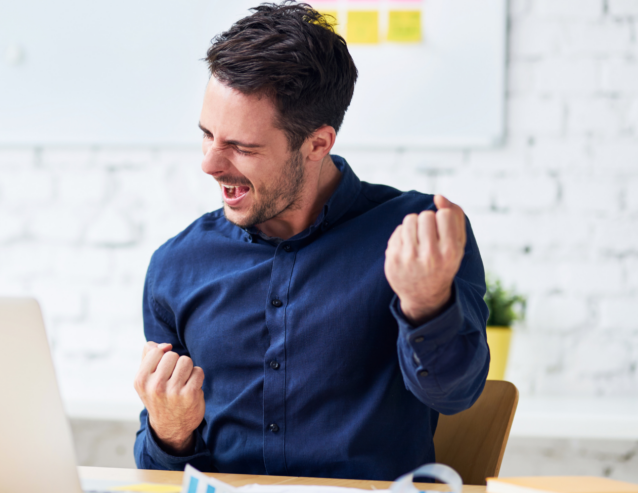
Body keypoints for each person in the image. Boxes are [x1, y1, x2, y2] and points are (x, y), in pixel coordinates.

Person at [132, 2, 489, 480]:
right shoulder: (177, 265)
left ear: (318, 143)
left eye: (241, 146)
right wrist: (169, 432)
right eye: (207, 135)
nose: (211, 164)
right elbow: (158, 472)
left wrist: (428, 303)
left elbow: (456, 394)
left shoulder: (418, 234)